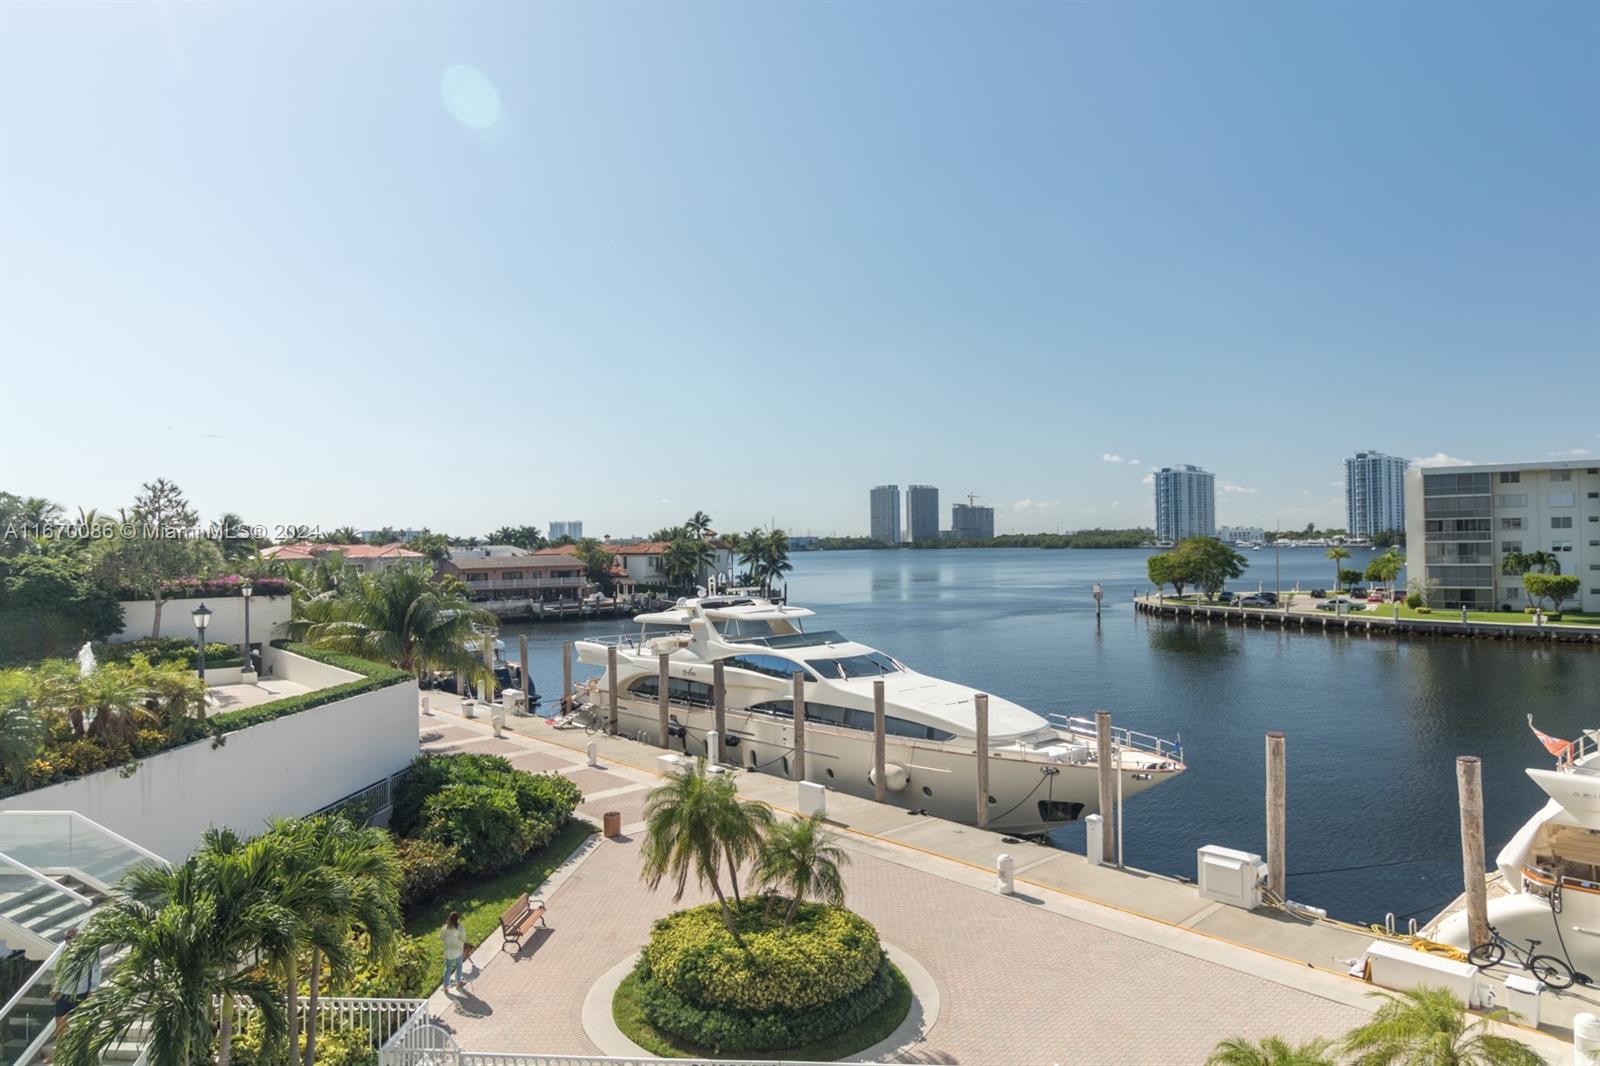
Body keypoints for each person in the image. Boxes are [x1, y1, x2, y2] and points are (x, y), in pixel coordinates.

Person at [52, 928, 102, 1046]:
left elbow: (97, 969)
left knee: (85, 1021)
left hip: (82, 991)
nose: (68, 941)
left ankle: (92, 1046)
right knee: (60, 1021)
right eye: (66, 938)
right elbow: (61, 971)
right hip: (64, 992)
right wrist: (57, 989)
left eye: (71, 937)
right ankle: (60, 1051)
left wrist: (92, 991)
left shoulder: (90, 950)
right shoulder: (64, 951)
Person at [441, 911, 466, 991]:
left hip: (448, 952)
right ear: (457, 919)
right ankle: (458, 984)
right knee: (459, 967)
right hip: (458, 951)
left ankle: (445, 986)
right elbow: (463, 939)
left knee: (448, 968)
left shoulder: (445, 928)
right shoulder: (460, 928)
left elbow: (441, 937)